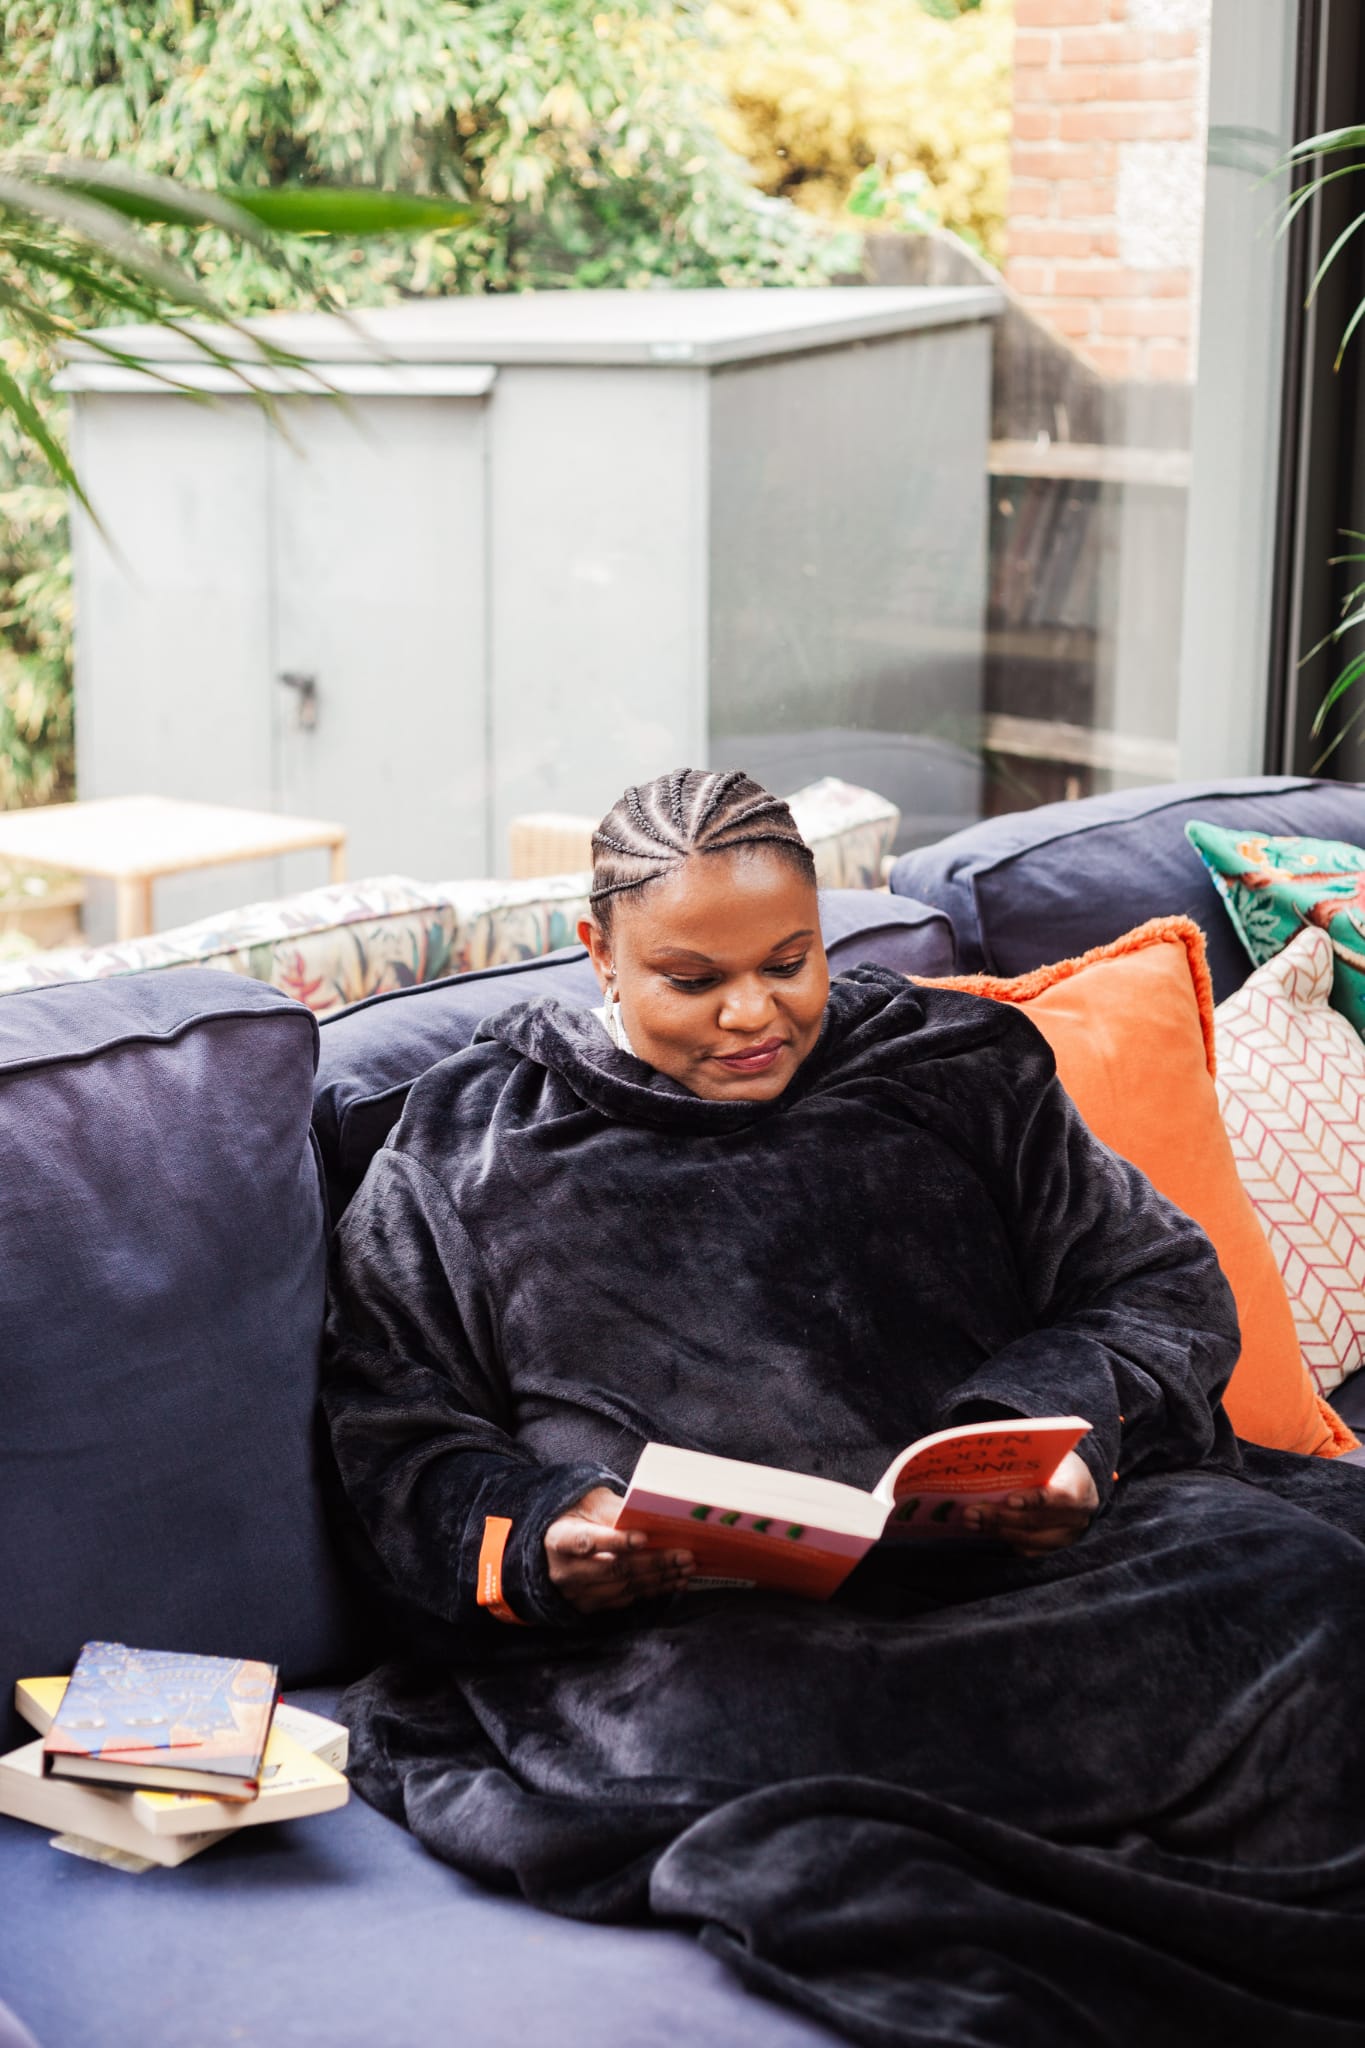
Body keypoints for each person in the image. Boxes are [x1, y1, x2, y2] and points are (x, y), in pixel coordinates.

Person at [322, 769, 1365, 2048]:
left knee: (1308, 1580)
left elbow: (1154, 1283)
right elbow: (397, 1436)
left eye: (789, 960)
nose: (751, 1013)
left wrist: (1062, 1435)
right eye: (692, 980)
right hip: (722, 1631)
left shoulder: (957, 1063)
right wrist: (545, 1535)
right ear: (597, 950)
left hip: (1044, 1568)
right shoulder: (458, 1152)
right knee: (712, 1738)